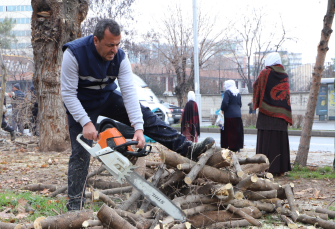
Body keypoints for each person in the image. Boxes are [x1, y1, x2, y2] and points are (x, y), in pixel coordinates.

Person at [61, 19, 215, 211]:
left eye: (117, 44)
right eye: (110, 45)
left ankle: (187, 149)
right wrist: (85, 122)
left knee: (147, 117)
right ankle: (75, 205)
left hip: (106, 96)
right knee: (81, 152)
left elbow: (129, 94)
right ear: (95, 41)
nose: (114, 50)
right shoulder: (74, 54)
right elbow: (67, 93)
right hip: (81, 102)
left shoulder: (121, 57)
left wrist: (139, 128)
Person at [253, 52, 292, 176]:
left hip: (266, 114)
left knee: (266, 140)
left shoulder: (265, 73)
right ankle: (280, 170)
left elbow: (256, 86)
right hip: (281, 115)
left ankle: (264, 168)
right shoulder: (284, 74)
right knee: (278, 141)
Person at [220, 80, 244, 152]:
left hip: (229, 115)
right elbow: (240, 104)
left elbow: (225, 103)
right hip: (238, 115)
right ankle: (237, 147)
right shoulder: (237, 93)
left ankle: (229, 146)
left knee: (229, 132)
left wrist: (222, 109)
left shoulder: (228, 92)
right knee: (237, 132)